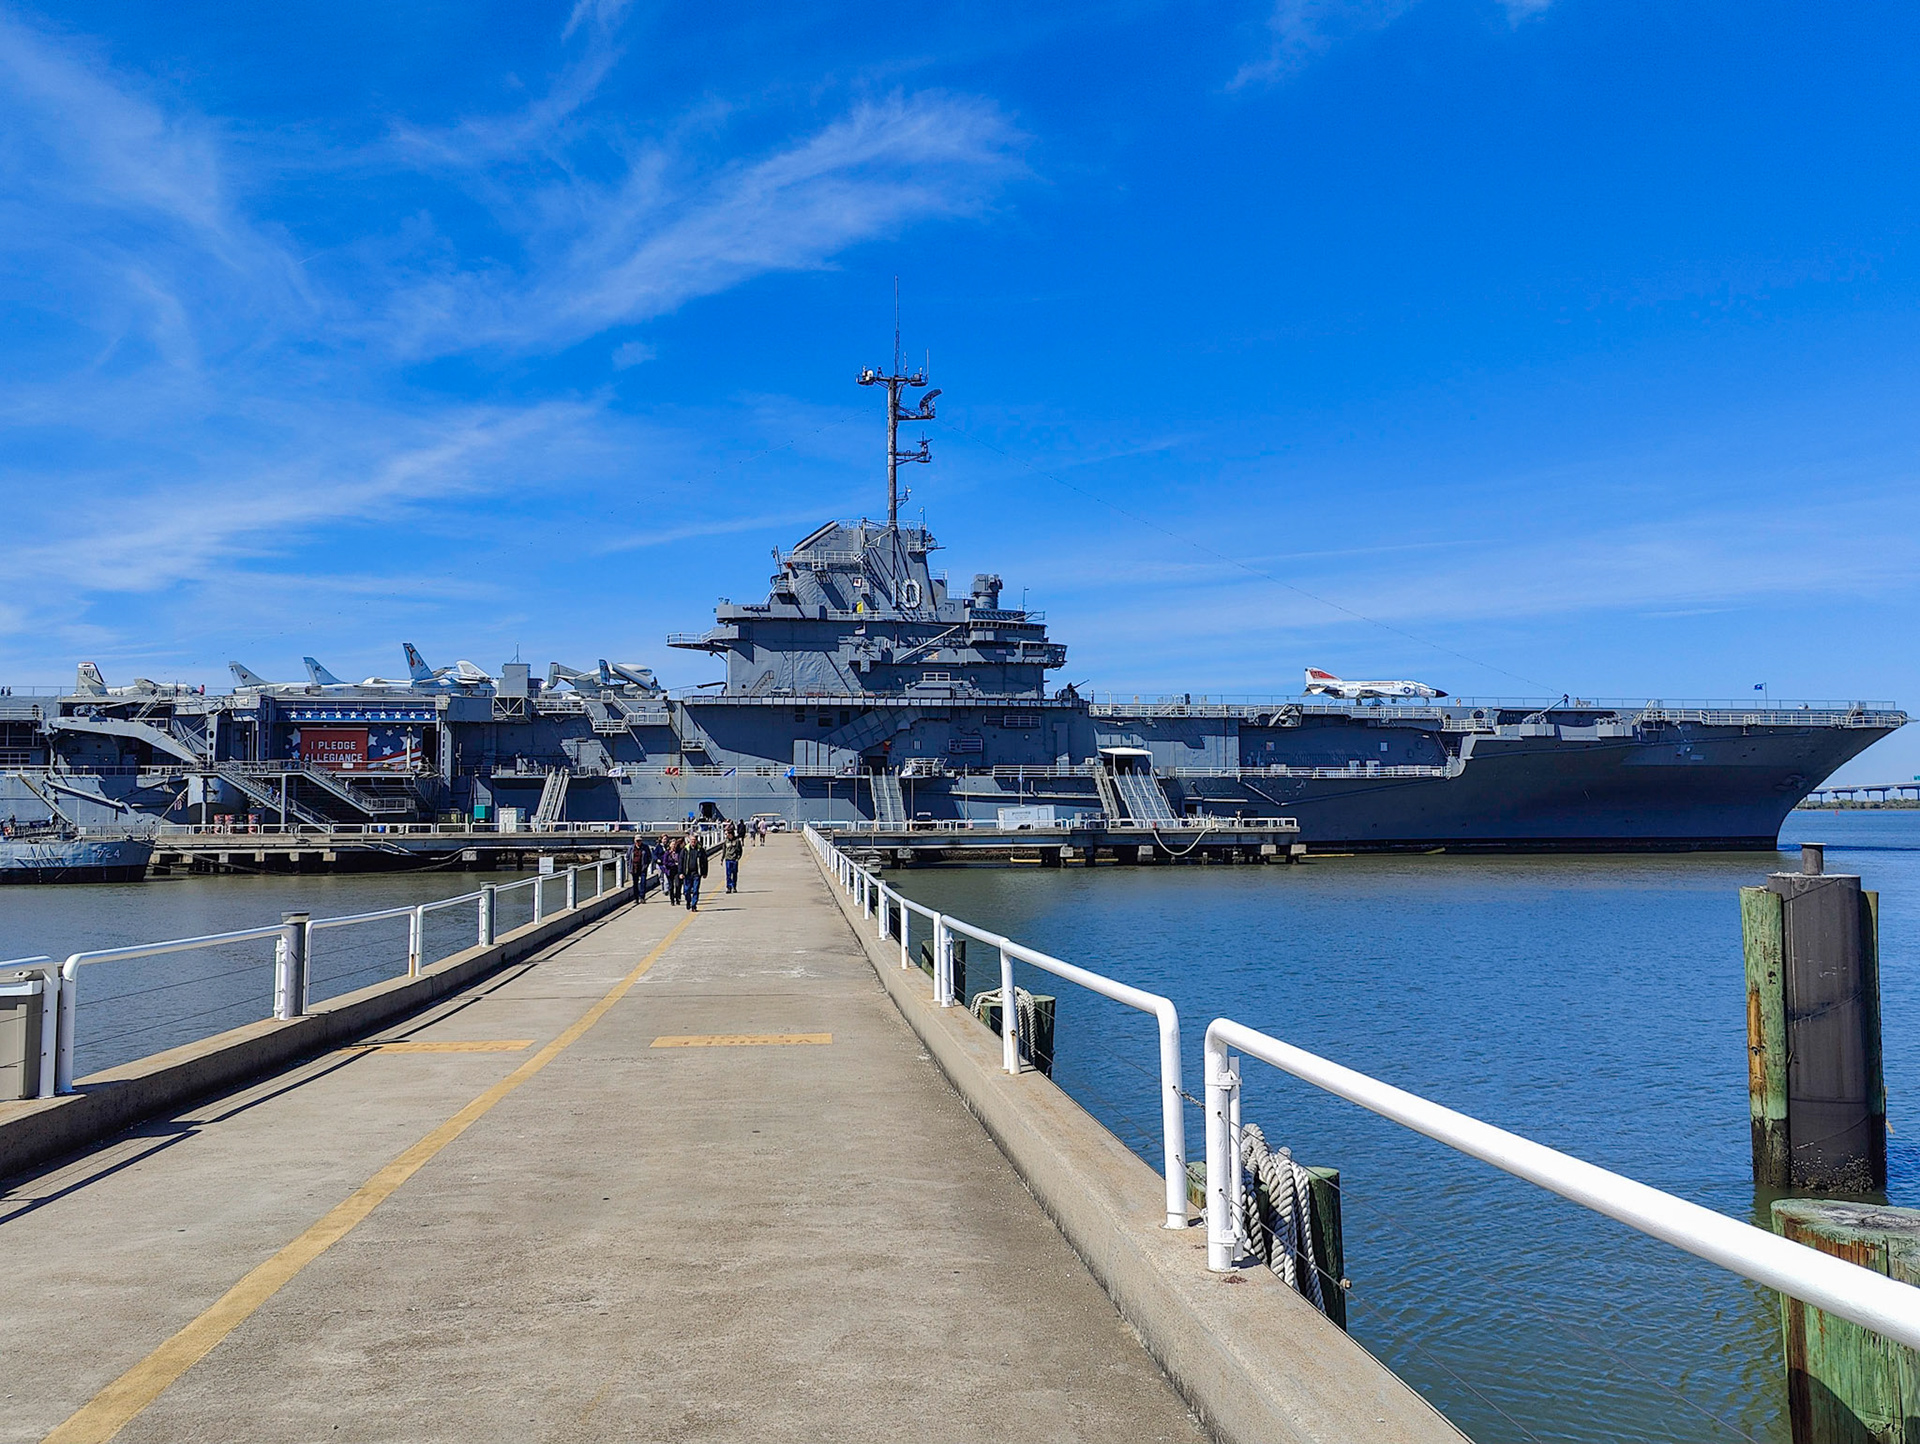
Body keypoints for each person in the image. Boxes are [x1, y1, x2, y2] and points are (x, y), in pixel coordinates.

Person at [682, 834, 703, 912]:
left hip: (696, 873)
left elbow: (704, 861)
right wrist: (681, 872)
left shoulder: (700, 849)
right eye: (692, 840)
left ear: (696, 841)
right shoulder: (685, 850)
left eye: (694, 840)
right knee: (686, 890)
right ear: (689, 841)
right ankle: (688, 901)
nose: (693, 841)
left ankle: (694, 905)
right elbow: (681, 861)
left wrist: (704, 872)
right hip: (687, 873)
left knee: (695, 890)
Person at [723, 823, 743, 894]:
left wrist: (738, 858)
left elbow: (740, 850)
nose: (727, 835)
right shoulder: (726, 841)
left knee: (734, 874)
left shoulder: (737, 841)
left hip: (734, 859)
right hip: (728, 859)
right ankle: (728, 887)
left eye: (728, 834)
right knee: (728, 874)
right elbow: (724, 850)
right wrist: (722, 859)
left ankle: (734, 886)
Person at [663, 838, 683, 906]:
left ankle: (677, 898)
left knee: (678, 885)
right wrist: (673, 864)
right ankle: (672, 900)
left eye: (675, 844)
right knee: (671, 886)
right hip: (670, 871)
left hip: (677, 871)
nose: (674, 846)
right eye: (672, 844)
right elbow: (665, 862)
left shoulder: (679, 852)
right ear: (670, 845)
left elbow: (681, 860)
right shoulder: (667, 853)